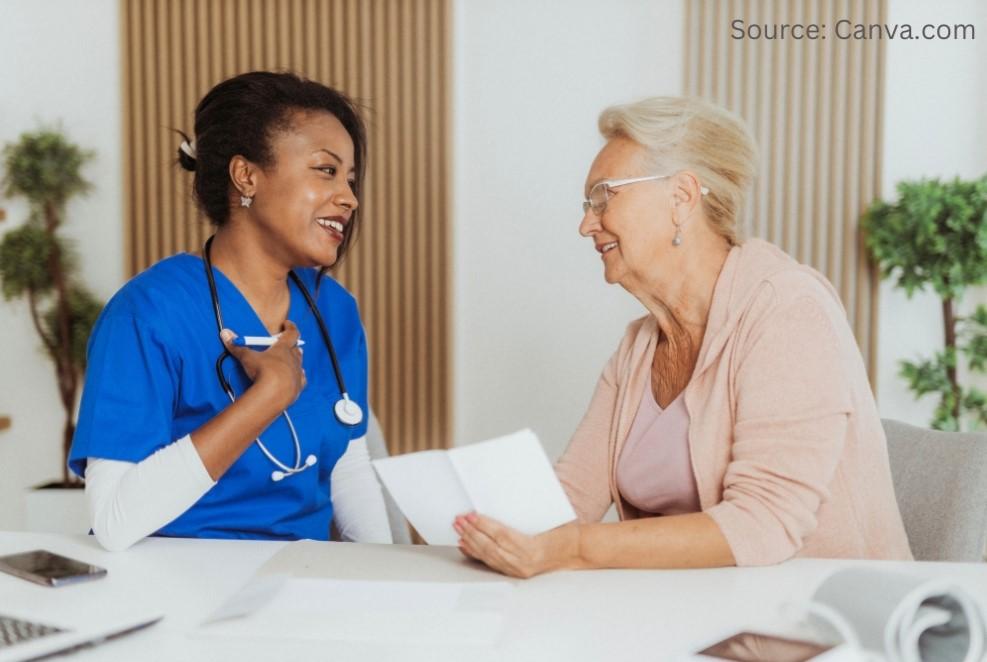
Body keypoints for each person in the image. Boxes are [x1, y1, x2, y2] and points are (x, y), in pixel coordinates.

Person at [454, 96, 912, 576]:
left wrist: (573, 549)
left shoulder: (787, 309)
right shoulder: (640, 347)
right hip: (690, 615)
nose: (586, 223)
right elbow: (570, 498)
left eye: (604, 196)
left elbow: (765, 521)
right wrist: (489, 530)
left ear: (682, 197)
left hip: (815, 625)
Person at [69, 71, 392, 550]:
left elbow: (347, 468)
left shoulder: (334, 310)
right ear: (247, 176)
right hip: (175, 590)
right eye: (326, 170)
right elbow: (113, 522)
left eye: (350, 177)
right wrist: (267, 396)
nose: (349, 197)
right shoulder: (148, 315)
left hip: (301, 581)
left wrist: (395, 578)